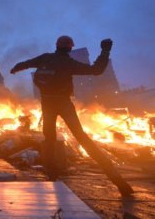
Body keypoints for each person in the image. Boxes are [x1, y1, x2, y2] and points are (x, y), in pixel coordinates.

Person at [10, 36, 133, 197]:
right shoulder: (68, 63)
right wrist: (105, 51)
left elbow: (24, 64)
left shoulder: (45, 58)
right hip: (64, 104)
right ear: (69, 48)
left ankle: (51, 176)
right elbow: (96, 70)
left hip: (47, 104)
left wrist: (15, 69)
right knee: (82, 138)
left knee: (49, 140)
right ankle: (120, 183)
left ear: (57, 46)